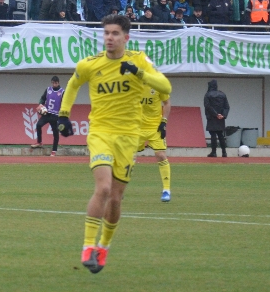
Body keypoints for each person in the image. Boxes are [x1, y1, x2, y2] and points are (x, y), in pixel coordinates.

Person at [57, 14, 171, 274]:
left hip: (129, 137)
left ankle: (103, 249)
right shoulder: (90, 64)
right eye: (106, 33)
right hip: (100, 133)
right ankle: (87, 246)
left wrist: (139, 73)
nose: (109, 37)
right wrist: (64, 115)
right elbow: (73, 85)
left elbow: (166, 86)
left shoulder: (138, 60)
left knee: (116, 198)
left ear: (126, 37)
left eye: (115, 33)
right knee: (104, 187)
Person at [138, 85, 172, 202]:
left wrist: (164, 122)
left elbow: (167, 103)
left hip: (155, 128)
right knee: (127, 156)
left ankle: (166, 190)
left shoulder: (157, 84)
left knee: (161, 155)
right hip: (137, 127)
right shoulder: (132, 83)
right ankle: (119, 189)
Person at [31, 76, 64, 154]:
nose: (54, 84)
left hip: (55, 115)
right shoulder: (48, 90)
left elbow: (65, 103)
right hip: (47, 113)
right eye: (53, 83)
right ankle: (39, 142)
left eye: (56, 83)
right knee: (38, 125)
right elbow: (42, 98)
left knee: (55, 132)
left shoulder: (62, 92)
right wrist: (40, 104)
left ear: (58, 83)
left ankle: (54, 150)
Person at [204, 79, 229, 158]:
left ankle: (214, 152)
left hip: (212, 117)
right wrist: (223, 115)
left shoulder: (207, 95)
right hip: (221, 118)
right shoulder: (222, 94)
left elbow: (207, 106)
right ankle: (224, 152)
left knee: (213, 134)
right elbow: (227, 107)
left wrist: (215, 114)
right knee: (220, 134)